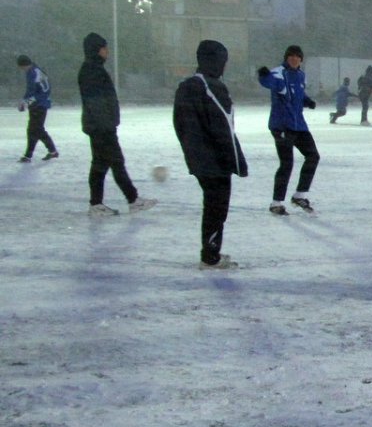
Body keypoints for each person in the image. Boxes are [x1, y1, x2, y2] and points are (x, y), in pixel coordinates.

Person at [174, 40, 248, 269]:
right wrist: (237, 162)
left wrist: (192, 151)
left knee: (212, 205)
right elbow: (223, 127)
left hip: (198, 158)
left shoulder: (187, 86)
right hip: (215, 160)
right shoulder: (211, 87)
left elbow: (180, 124)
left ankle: (210, 252)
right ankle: (211, 256)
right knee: (217, 207)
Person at [78, 32, 156, 217]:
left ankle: (96, 204)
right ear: (97, 50)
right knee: (116, 162)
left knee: (100, 165)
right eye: (104, 48)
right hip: (101, 127)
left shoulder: (93, 69)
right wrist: (107, 125)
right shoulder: (92, 71)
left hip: (99, 125)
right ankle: (133, 200)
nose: (107, 51)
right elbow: (96, 102)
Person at [258, 45, 319, 215]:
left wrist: (307, 101)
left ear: (301, 59)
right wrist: (263, 75)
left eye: (297, 57)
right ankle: (276, 203)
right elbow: (269, 82)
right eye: (290, 56)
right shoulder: (279, 73)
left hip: (298, 125)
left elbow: (298, 95)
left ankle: (299, 195)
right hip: (282, 125)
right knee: (286, 163)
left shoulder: (300, 75)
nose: (294, 59)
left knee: (313, 156)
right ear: (286, 58)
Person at [15, 54, 57, 163]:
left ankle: (28, 156)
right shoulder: (38, 70)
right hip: (43, 103)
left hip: (39, 104)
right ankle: (52, 151)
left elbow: (31, 91)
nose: (21, 69)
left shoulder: (31, 73)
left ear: (24, 65)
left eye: (21, 67)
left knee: (34, 130)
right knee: (37, 129)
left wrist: (24, 103)